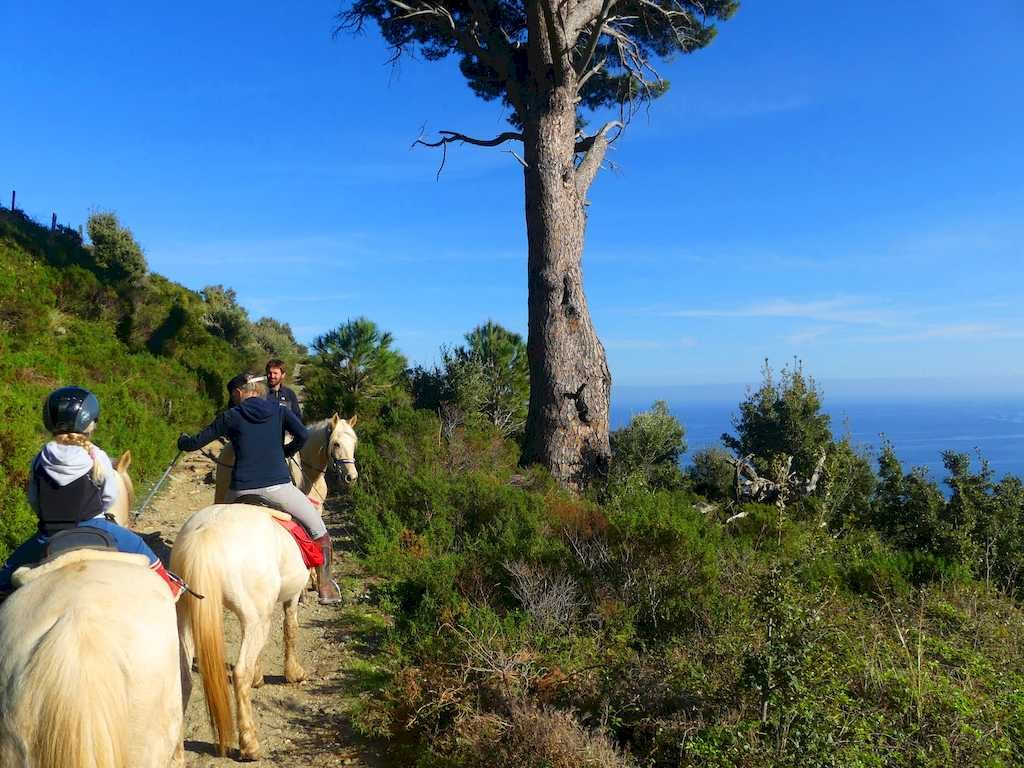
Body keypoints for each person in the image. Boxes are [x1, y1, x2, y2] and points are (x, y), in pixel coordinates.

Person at [0, 387, 182, 598]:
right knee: (140, 547)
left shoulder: (40, 458)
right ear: (89, 424)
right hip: (95, 526)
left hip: (49, 534)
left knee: (7, 571)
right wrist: (97, 511)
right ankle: (171, 585)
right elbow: (109, 496)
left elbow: (33, 499)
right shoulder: (96, 455)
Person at [176, 372, 342, 604]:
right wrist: (286, 451)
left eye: (232, 396)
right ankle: (325, 586)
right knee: (319, 531)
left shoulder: (231, 415)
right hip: (279, 488)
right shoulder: (280, 411)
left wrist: (183, 441)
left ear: (238, 392)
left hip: (241, 490)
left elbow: (195, 443)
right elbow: (303, 435)